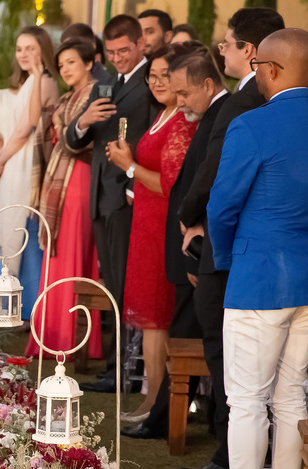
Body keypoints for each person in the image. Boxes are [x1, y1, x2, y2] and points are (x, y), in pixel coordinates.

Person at [193, 29, 308, 469]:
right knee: (290, 397)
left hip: (259, 279)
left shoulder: (251, 124)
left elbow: (221, 207)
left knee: (247, 400)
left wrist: (227, 259)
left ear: (270, 69)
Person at [174, 8, 284, 469]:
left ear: (251, 51)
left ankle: (229, 455)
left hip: (230, 240)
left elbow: (217, 170)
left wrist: (189, 217)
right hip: (256, 243)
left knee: (224, 350)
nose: (221, 50)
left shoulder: (245, 101)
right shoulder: (258, 97)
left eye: (228, 42)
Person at [122, 43, 227, 441]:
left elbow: (186, 181)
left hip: (182, 229)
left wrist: (129, 167)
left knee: (175, 324)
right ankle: (160, 409)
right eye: (154, 77)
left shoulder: (200, 118)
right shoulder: (181, 113)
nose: (172, 94)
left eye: (180, 88)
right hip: (163, 226)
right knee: (171, 324)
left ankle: (163, 411)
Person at [68, 14, 159, 393]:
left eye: (124, 51)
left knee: (124, 288)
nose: (118, 58)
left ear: (140, 45)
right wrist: (83, 120)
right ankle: (114, 367)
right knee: (113, 286)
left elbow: (154, 140)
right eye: (112, 52)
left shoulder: (152, 82)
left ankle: (121, 370)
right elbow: (72, 141)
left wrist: (133, 187)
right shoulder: (104, 85)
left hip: (127, 199)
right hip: (99, 198)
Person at [106, 46, 197, 422]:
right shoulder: (163, 114)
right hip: (145, 221)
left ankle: (157, 403)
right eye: (153, 76)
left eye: (165, 75)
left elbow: (172, 185)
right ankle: (151, 399)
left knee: (158, 316)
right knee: (149, 318)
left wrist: (129, 167)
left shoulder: (182, 122)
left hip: (163, 223)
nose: (158, 82)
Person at [0, 26, 58, 321]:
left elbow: (27, 126)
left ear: (43, 51)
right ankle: (6, 301)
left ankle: (29, 309)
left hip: (28, 164)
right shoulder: (29, 82)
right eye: (19, 49)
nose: (23, 54)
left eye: (30, 48)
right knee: (10, 229)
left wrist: (0, 157)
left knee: (26, 233)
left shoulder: (46, 81)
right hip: (15, 161)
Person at [31, 37, 101, 358]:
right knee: (58, 258)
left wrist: (64, 126)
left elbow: (84, 141)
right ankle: (52, 334)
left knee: (73, 256)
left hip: (80, 178)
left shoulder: (97, 94)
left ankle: (70, 339)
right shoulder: (67, 98)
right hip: (62, 181)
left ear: (89, 63)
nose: (65, 70)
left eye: (71, 62)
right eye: (61, 65)